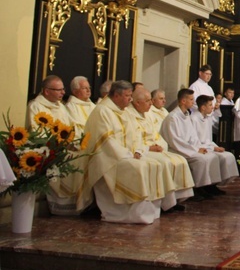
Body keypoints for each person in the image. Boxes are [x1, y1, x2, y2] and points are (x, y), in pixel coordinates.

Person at [78, 80, 168, 224]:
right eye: (127, 96)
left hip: (125, 154)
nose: (130, 99)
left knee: (153, 164)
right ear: (116, 96)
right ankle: (124, 213)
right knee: (140, 167)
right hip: (107, 159)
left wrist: (139, 150)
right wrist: (128, 155)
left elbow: (135, 135)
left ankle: (146, 212)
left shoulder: (123, 111)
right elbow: (106, 141)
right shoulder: (102, 111)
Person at [160, 89, 236, 201]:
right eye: (191, 99)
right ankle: (197, 188)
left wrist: (198, 148)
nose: (193, 102)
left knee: (211, 156)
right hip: (177, 150)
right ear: (183, 101)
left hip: (189, 148)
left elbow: (193, 137)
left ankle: (209, 186)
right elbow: (175, 141)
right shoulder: (173, 117)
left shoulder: (185, 115)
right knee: (201, 159)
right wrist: (195, 150)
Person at [127, 87, 195, 211]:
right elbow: (132, 140)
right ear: (137, 102)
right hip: (143, 150)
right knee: (165, 163)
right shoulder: (129, 116)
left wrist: (160, 146)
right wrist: (148, 147)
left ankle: (175, 199)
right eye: (148, 101)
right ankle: (165, 204)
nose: (151, 103)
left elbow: (156, 134)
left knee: (179, 160)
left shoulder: (147, 115)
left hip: (155, 148)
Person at [26, 75, 85, 215]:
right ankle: (60, 205)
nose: (63, 93)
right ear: (46, 91)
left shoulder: (61, 107)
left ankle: (76, 203)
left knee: (83, 156)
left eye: (63, 89)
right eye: (58, 90)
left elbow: (71, 128)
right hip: (48, 149)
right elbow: (37, 133)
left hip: (65, 147)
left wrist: (74, 142)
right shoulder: (35, 106)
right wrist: (60, 145)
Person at [191, 95, 239, 193]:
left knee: (228, 156)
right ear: (203, 107)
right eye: (210, 105)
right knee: (214, 157)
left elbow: (208, 139)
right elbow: (194, 141)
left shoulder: (207, 118)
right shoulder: (194, 119)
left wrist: (215, 147)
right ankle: (202, 187)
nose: (212, 107)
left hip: (208, 147)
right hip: (198, 148)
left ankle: (214, 184)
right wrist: (212, 149)